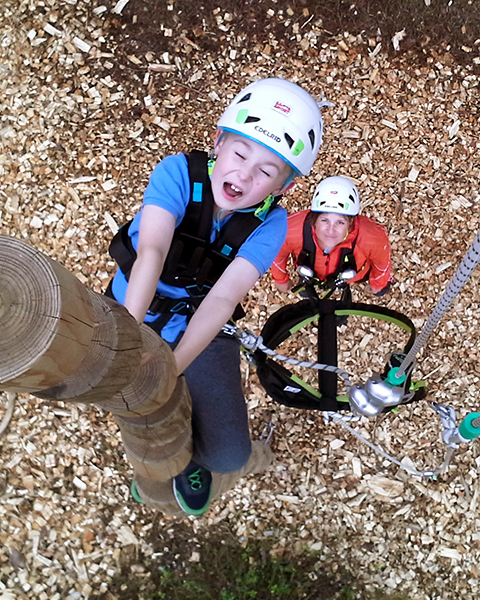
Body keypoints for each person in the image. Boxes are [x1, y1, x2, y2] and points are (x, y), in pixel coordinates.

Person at [107, 78, 323, 515]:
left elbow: (223, 298)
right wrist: (130, 345)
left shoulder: (271, 225)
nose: (244, 174)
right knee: (135, 411)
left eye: (266, 171)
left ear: (284, 187)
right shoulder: (178, 174)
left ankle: (194, 462)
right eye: (240, 153)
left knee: (229, 456)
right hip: (132, 307)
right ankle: (156, 477)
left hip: (200, 323)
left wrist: (171, 368)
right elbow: (152, 250)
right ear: (218, 142)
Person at [270, 176, 392, 297]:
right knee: (306, 291)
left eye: (340, 222)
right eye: (324, 220)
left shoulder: (372, 237)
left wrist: (378, 284)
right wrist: (281, 279)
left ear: (350, 223)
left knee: (381, 290)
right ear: (314, 218)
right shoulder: (290, 229)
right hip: (310, 272)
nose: (331, 230)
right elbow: (277, 254)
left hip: (349, 276)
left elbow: (381, 264)